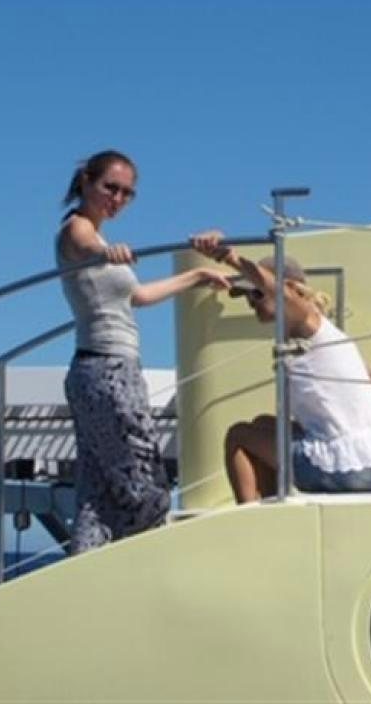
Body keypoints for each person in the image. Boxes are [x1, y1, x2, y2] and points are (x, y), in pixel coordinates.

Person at [57, 150, 230, 553]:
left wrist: (198, 274)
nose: (117, 199)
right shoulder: (78, 230)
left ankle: (85, 578)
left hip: (97, 370)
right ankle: (146, 559)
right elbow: (81, 245)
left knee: (97, 491)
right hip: (108, 369)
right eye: (110, 188)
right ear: (86, 181)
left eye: (126, 193)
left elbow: (137, 295)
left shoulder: (97, 236)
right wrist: (107, 252)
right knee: (145, 479)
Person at [190, 232, 371, 502]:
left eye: (256, 293)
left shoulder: (305, 321)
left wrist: (228, 257)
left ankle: (251, 518)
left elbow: (277, 290)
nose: (251, 302)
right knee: (263, 425)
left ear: (288, 289)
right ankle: (269, 507)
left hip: (344, 470)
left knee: (239, 435)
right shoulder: (333, 337)